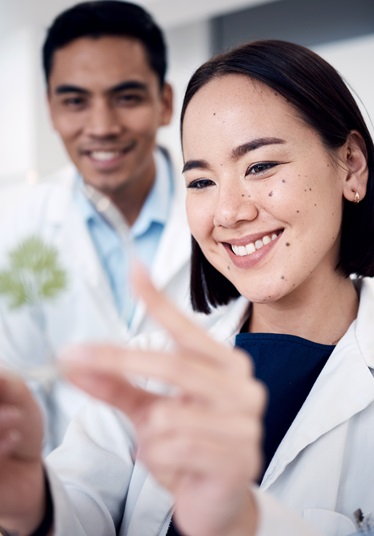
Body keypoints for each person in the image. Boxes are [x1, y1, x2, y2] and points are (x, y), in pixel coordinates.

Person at [0, 38, 373, 536]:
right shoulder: (150, 369)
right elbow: (81, 503)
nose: (228, 212)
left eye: (260, 166)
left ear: (350, 164)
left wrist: (242, 521)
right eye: (201, 182)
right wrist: (31, 499)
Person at [0, 0, 226, 454]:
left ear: (164, 103)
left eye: (127, 97)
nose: (101, 127)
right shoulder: (18, 225)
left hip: (197, 480)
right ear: (51, 109)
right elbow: (21, 378)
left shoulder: (227, 213)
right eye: (75, 101)